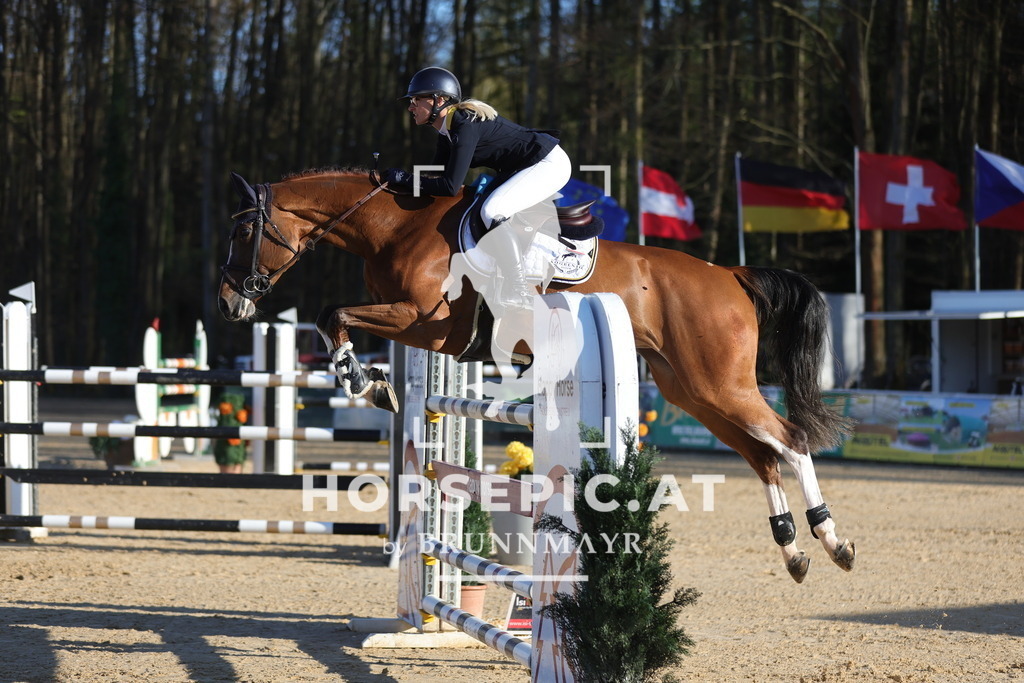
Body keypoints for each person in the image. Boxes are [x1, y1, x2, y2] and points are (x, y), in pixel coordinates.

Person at [384, 66, 571, 308]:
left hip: (548, 164)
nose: (410, 107)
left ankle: (519, 290)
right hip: (524, 166)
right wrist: (392, 185)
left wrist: (406, 179)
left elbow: (450, 186)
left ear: (438, 100)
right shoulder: (446, 131)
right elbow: (431, 177)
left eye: (416, 100)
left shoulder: (464, 125)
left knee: (492, 211)